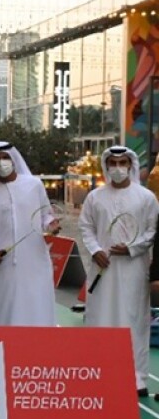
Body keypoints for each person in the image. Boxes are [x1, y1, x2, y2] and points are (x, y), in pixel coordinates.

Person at [82, 146, 159, 397]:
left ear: (130, 165)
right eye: (112, 163)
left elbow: (151, 231)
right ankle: (99, 369)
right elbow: (86, 227)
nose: (117, 168)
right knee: (100, 318)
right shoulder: (94, 197)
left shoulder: (146, 197)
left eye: (122, 162)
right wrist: (95, 250)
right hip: (102, 269)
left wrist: (132, 249)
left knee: (134, 320)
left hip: (133, 269)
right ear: (106, 166)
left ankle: (136, 376)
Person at [0, 141, 59, 326]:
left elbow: (45, 216)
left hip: (35, 263)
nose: (1, 162)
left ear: (14, 159)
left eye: (5, 157)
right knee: (5, 316)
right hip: (2, 267)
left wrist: (51, 225)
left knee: (38, 314)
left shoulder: (34, 185)